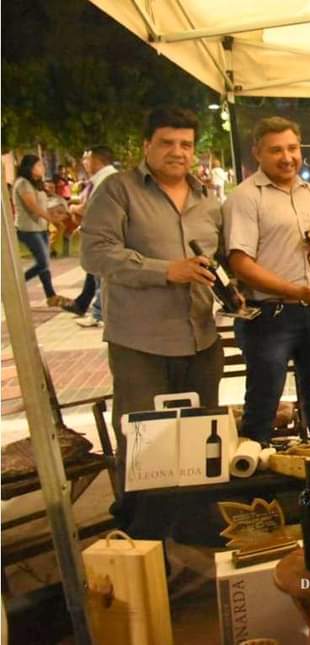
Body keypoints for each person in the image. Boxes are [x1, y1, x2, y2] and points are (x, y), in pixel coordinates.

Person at [80, 106, 225, 442]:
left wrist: (234, 291)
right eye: (167, 142)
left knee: (201, 445)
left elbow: (218, 260)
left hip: (201, 343)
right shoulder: (118, 190)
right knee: (143, 446)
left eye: (186, 144)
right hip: (141, 346)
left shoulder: (207, 200)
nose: (178, 152)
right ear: (147, 145)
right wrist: (166, 270)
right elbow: (95, 253)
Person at [225, 116, 310, 445]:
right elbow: (240, 263)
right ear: (257, 153)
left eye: (293, 148)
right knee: (263, 403)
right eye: (276, 150)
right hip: (269, 316)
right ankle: (256, 469)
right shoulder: (246, 197)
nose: (287, 157)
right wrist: (297, 292)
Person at [62, 145, 119, 327]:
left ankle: (99, 314)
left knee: (102, 275)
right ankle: (96, 311)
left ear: (97, 160)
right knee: (97, 275)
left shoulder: (107, 180)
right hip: (98, 234)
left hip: (105, 234)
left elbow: (91, 207)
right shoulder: (102, 179)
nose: (84, 162)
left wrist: (73, 208)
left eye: (87, 158)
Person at [12, 154, 68, 307]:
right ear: (30, 167)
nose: (43, 168)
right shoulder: (22, 183)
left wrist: (58, 211)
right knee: (43, 263)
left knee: (44, 264)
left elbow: (45, 204)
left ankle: (51, 296)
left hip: (40, 228)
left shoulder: (36, 184)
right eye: (39, 165)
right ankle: (14, 285)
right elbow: (33, 207)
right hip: (28, 229)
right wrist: (52, 220)